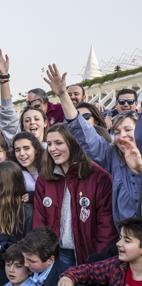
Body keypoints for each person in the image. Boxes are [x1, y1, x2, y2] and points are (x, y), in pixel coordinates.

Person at [44, 64, 142, 227]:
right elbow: (84, 133)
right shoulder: (113, 156)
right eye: (117, 131)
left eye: (128, 129)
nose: (122, 135)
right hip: (126, 237)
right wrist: (62, 95)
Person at [33, 123, 116, 268]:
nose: (52, 149)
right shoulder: (44, 178)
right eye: (50, 143)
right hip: (55, 255)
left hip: (89, 256)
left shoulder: (99, 177)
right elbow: (39, 221)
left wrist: (97, 260)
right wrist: (43, 254)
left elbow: (106, 226)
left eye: (58, 143)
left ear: (74, 144)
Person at [0, 49, 50, 146]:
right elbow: (7, 111)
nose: (32, 122)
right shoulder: (17, 145)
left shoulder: (54, 150)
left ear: (45, 122)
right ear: (22, 126)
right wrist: (4, 77)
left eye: (36, 119)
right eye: (27, 120)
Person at [58, 217, 142, 286]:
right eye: (120, 238)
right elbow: (88, 270)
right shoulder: (117, 265)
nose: (118, 243)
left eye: (127, 241)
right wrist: (68, 277)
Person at [0, 161, 32, 254]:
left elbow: (29, 245)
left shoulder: (26, 210)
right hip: (1, 257)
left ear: (7, 182)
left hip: (21, 259)